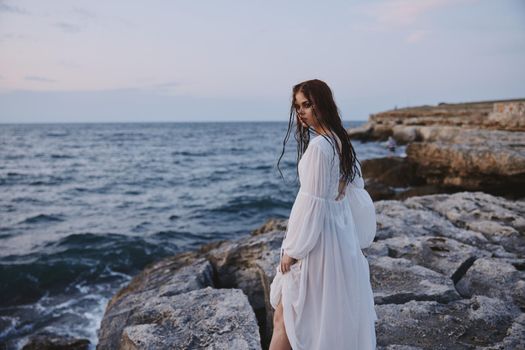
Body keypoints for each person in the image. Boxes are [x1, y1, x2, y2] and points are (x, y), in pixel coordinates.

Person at [271, 79, 378, 350]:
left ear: (323, 104)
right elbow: (353, 191)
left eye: (307, 104)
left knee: (286, 315)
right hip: (337, 240)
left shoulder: (320, 147)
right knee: (316, 318)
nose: (301, 112)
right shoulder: (337, 140)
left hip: (318, 245)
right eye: (297, 106)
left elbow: (311, 204)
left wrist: (293, 250)